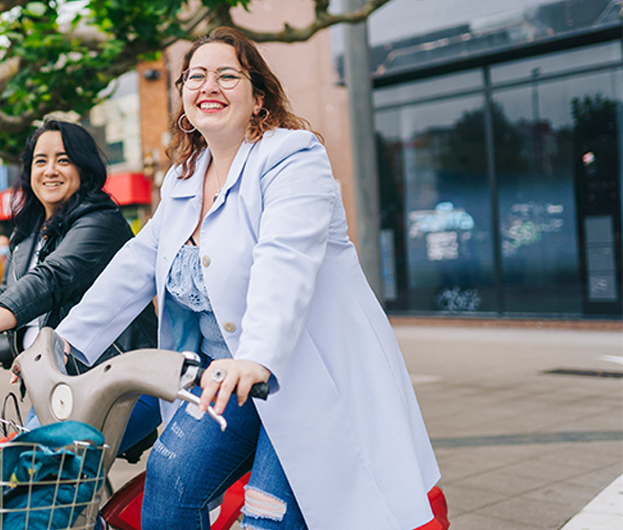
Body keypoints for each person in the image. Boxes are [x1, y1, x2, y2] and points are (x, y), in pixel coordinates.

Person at [49, 28, 441, 530]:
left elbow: (286, 259)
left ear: (259, 99)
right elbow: (137, 261)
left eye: (227, 75)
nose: (208, 85)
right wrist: (64, 341)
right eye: (195, 76)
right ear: (185, 99)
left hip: (303, 374)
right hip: (223, 377)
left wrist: (256, 357)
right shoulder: (184, 177)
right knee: (170, 478)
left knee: (267, 516)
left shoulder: (293, 158)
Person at [0, 119, 158, 450]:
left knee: (18, 476)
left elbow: (51, 279)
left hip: (115, 384)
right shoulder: (28, 236)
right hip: (58, 387)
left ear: (84, 168)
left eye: (63, 159)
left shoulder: (101, 222)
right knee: (19, 480)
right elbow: (8, 298)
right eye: (40, 160)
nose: (50, 170)